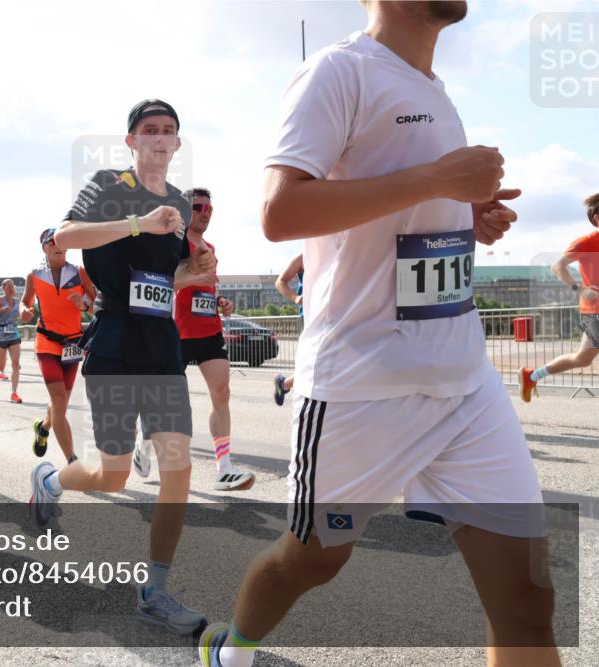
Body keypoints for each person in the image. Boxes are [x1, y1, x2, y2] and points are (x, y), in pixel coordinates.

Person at [199, 4, 556, 666]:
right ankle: (232, 650)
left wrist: (461, 213)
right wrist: (440, 180)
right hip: (361, 388)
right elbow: (280, 212)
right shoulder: (337, 71)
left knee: (528, 601)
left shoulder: (434, 89)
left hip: (465, 385)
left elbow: (396, 214)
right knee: (310, 562)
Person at [29, 99, 218, 635]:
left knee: (177, 471)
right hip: (113, 346)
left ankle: (155, 592)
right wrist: (140, 221)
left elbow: (164, 279)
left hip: (162, 347)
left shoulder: (179, 203)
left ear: (178, 144)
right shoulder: (108, 183)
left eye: (169, 131)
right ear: (132, 141)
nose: (160, 138)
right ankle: (52, 479)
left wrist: (194, 267)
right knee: (110, 476)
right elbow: (65, 238)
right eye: (149, 130)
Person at [133, 187, 255, 492]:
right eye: (199, 207)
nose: (205, 213)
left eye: (209, 209)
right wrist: (193, 278)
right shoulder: (173, 243)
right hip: (176, 332)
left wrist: (222, 301)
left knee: (222, 391)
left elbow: (210, 288)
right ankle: (143, 442)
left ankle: (224, 468)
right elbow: (167, 282)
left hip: (208, 331)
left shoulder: (210, 247)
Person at [21, 227, 96, 463]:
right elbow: (25, 302)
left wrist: (82, 303)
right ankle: (72, 461)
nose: (57, 245)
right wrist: (25, 311)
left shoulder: (80, 272)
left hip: (72, 345)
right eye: (52, 242)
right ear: (44, 247)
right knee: (60, 401)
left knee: (59, 402)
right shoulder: (34, 275)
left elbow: (98, 304)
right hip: (46, 343)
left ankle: (43, 428)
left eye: (61, 241)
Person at [520, 192, 599, 400]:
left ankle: (532, 375)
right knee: (581, 359)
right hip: (595, 311)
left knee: (581, 359)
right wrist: (580, 289)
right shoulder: (586, 243)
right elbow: (558, 266)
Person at [273, 253, 304, 406]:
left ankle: (284, 383)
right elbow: (280, 282)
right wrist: (295, 298)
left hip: (340, 316)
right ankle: (284, 384)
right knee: (317, 363)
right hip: (311, 317)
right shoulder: (304, 257)